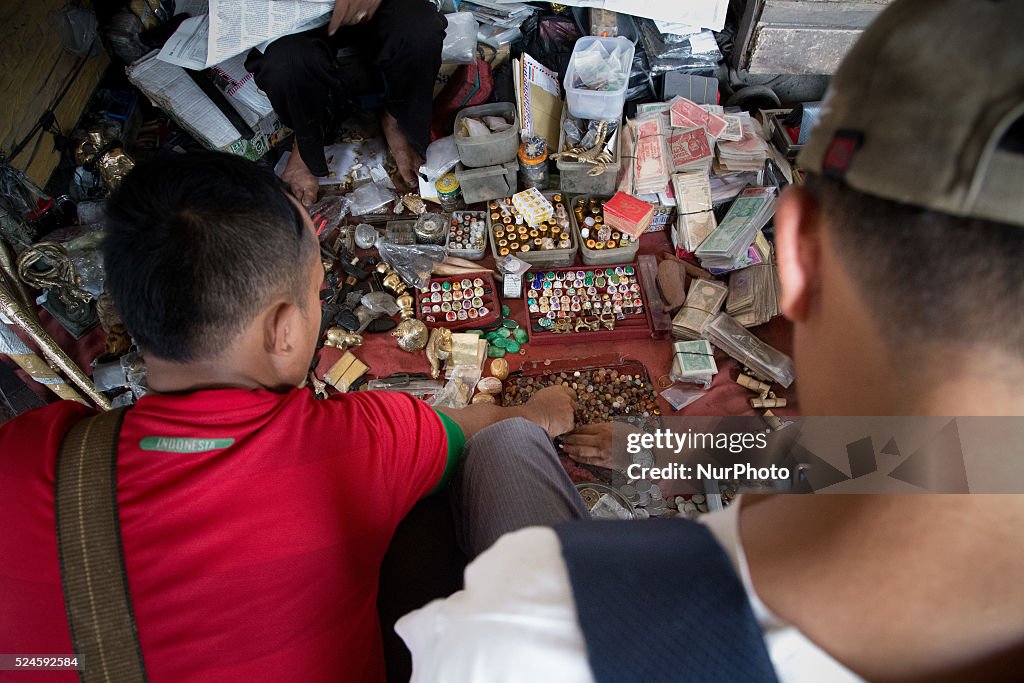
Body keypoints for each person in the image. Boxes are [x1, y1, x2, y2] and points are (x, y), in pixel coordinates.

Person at [395, 0, 1024, 680]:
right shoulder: (985, 450)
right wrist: (676, 446)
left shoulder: (522, 639)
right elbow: (932, 452)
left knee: (497, 450)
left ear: (794, 255)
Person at [0, 151, 580, 683]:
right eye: (317, 291)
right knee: (500, 453)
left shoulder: (23, 455)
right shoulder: (359, 442)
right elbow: (482, 430)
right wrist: (539, 411)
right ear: (282, 331)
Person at [246, 0, 447, 204]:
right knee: (285, 63)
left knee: (419, 29)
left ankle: (395, 120)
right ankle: (306, 143)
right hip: (299, 14)